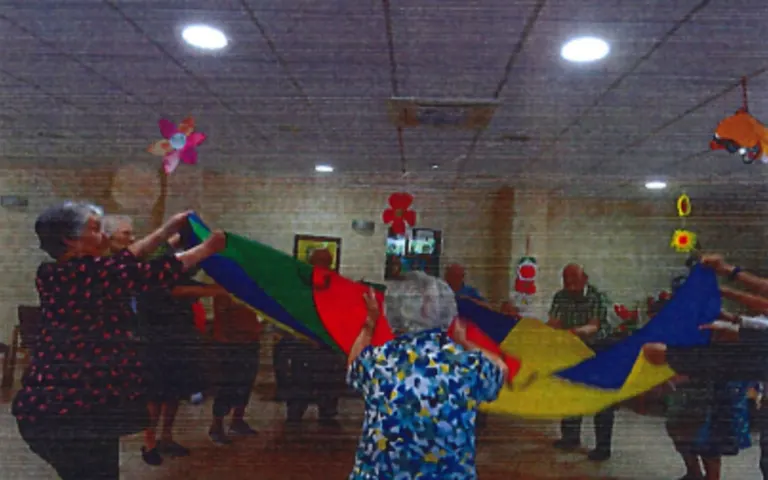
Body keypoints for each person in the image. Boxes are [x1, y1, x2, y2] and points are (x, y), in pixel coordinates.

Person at [12, 202, 225, 480]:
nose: (103, 236)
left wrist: (167, 230)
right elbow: (151, 272)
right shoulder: (87, 274)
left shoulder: (56, 272)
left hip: (71, 411)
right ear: (70, 240)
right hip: (67, 414)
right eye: (94, 229)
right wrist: (208, 248)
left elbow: (127, 259)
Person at [346, 271, 508, 479]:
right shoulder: (467, 364)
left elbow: (353, 366)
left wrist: (370, 323)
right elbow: (500, 368)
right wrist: (464, 341)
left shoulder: (378, 361)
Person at [135, 231, 228, 465]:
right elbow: (175, 289)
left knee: (175, 392)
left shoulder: (178, 275)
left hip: (179, 341)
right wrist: (218, 290)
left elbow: (186, 286)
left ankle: (166, 437)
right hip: (155, 343)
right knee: (155, 396)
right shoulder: (152, 274)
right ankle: (149, 442)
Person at [548, 263, 615, 461]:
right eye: (566, 280)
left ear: (584, 278)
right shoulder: (560, 297)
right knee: (570, 392)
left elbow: (593, 326)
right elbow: (554, 322)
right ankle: (570, 437)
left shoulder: (596, 297)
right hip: (573, 349)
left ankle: (602, 447)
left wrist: (571, 332)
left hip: (599, 349)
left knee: (601, 398)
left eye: (574, 280)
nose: (569, 284)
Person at [274, 248, 346, 425]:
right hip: (303, 346)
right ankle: (295, 414)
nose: (322, 266)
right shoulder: (299, 285)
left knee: (328, 384)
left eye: (325, 262)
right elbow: (289, 312)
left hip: (327, 346)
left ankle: (327, 414)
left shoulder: (337, 285)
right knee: (300, 383)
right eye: (318, 262)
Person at [208, 294, 264, 444]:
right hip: (230, 344)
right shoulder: (226, 291)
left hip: (248, 341)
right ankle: (217, 424)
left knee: (246, 381)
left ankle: (237, 419)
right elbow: (222, 313)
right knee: (227, 385)